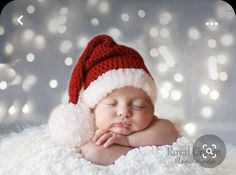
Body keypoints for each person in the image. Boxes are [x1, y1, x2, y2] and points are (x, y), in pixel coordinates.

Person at [48, 34, 179, 166]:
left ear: (151, 109)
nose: (124, 112)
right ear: (93, 109)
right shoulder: (90, 130)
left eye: (138, 106)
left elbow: (169, 131)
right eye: (112, 103)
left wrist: (128, 140)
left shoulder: (152, 126)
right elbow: (94, 153)